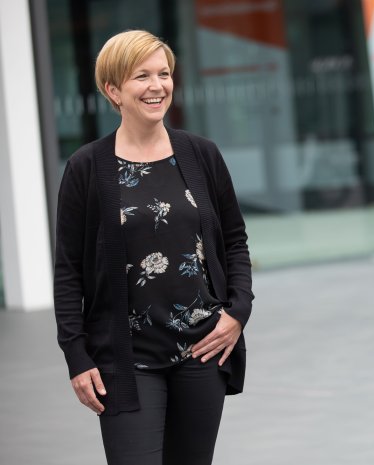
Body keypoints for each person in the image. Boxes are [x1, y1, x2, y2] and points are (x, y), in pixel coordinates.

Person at [53, 30, 253, 465]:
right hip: (125, 359)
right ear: (113, 90)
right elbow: (67, 270)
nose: (157, 85)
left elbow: (235, 240)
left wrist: (237, 313)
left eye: (164, 73)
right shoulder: (87, 167)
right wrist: (76, 354)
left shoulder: (201, 155)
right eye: (141, 76)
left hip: (201, 350)